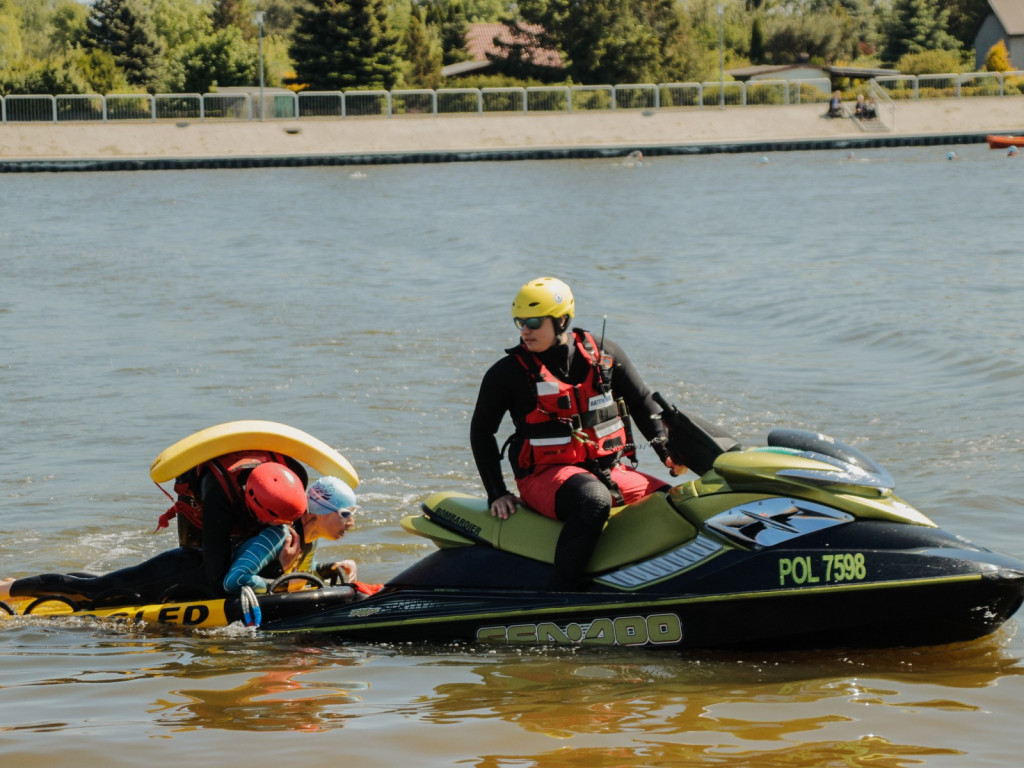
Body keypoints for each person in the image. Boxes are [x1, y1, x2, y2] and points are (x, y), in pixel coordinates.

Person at [470, 277, 683, 591]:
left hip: (608, 469)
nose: (524, 331)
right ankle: (563, 590)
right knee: (593, 501)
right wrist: (496, 492)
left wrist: (665, 450)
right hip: (545, 474)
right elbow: (481, 431)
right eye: (519, 322)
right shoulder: (508, 373)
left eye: (532, 322)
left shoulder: (604, 355)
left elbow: (641, 401)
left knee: (673, 503)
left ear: (562, 321)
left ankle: (657, 578)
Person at [0, 463, 310, 607]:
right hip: (184, 568)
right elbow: (223, 582)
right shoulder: (219, 497)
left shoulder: (290, 478)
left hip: (194, 564)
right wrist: (279, 575)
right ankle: (8, 589)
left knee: (109, 580)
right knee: (92, 590)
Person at [155, 450, 309, 593]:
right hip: (200, 505)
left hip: (252, 488)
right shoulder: (218, 499)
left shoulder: (296, 476)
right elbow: (219, 583)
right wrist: (279, 569)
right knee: (199, 569)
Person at [223, 475, 378, 596]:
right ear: (320, 512)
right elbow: (233, 581)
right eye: (345, 514)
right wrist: (284, 585)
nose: (351, 522)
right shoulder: (278, 536)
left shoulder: (310, 540)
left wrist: (333, 568)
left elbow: (305, 574)